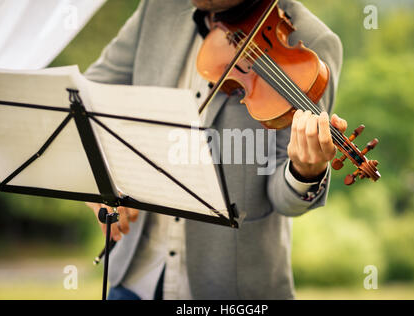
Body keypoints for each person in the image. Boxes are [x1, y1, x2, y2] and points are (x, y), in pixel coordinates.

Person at [85, 0, 345, 300]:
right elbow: (89, 96)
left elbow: (282, 195)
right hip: (133, 279)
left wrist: (305, 171)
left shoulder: (313, 42)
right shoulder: (159, 6)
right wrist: (103, 174)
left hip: (234, 287)